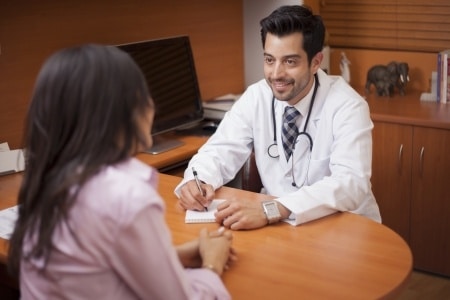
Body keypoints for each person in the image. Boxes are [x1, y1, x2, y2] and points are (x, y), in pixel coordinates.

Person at [8, 44, 236, 299]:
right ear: (119, 112)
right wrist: (212, 264)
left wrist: (176, 257)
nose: (152, 105)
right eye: (144, 95)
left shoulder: (46, 181)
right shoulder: (126, 197)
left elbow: (91, 268)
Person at [175, 5, 381, 230]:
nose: (276, 74)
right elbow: (219, 149)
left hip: (343, 228)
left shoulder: (348, 106)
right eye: (269, 60)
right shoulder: (256, 96)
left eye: (290, 62)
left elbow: (350, 183)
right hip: (282, 228)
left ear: (316, 62)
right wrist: (198, 181)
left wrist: (271, 209)